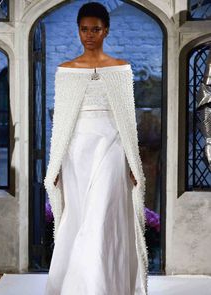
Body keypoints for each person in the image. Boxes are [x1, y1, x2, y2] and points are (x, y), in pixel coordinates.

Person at [44, 2, 148, 294]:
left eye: (95, 29)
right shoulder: (65, 70)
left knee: (103, 216)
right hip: (76, 152)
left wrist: (131, 162)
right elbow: (61, 121)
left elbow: (128, 119)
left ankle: (101, 287)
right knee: (79, 218)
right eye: (84, 29)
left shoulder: (121, 69)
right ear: (78, 30)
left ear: (106, 31)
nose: (89, 35)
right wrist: (55, 165)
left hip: (112, 146)